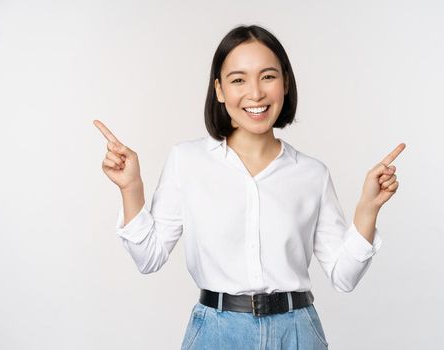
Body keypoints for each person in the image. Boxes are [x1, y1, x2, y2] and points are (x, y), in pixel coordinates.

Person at [93, 24, 405, 350]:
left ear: (285, 83)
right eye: (238, 79)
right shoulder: (187, 161)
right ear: (219, 90)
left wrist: (368, 208)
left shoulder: (312, 174)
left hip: (297, 332)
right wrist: (131, 188)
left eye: (268, 76)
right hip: (216, 333)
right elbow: (149, 258)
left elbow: (344, 277)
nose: (255, 93)